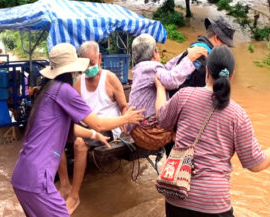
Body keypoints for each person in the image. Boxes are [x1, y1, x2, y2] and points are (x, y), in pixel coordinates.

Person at [155, 45, 270, 217]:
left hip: (176, 196)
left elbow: (162, 118)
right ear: (231, 77)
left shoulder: (184, 96)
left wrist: (160, 88)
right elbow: (255, 163)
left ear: (206, 72)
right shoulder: (237, 115)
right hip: (213, 203)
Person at [11, 43, 144, 217]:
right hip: (38, 180)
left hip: (21, 176)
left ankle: (67, 187)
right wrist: (126, 119)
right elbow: (98, 124)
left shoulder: (48, 90)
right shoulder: (65, 90)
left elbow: (69, 128)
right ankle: (70, 191)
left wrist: (94, 134)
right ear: (73, 69)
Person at [57, 41, 129, 215]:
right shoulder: (78, 83)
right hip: (89, 126)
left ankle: (74, 196)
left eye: (91, 62)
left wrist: (125, 122)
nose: (89, 67)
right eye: (84, 63)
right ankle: (65, 184)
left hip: (108, 127)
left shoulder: (110, 78)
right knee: (57, 134)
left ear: (99, 58)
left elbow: (123, 106)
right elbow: (72, 112)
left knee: (80, 144)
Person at [127, 33, 207, 150]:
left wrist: (186, 54)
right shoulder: (150, 68)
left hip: (138, 131)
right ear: (155, 52)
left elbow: (167, 68)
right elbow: (171, 80)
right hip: (149, 132)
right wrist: (190, 59)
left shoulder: (140, 69)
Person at [169, 16, 235, 97]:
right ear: (217, 38)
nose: (226, 48)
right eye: (226, 44)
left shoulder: (196, 46)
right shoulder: (203, 56)